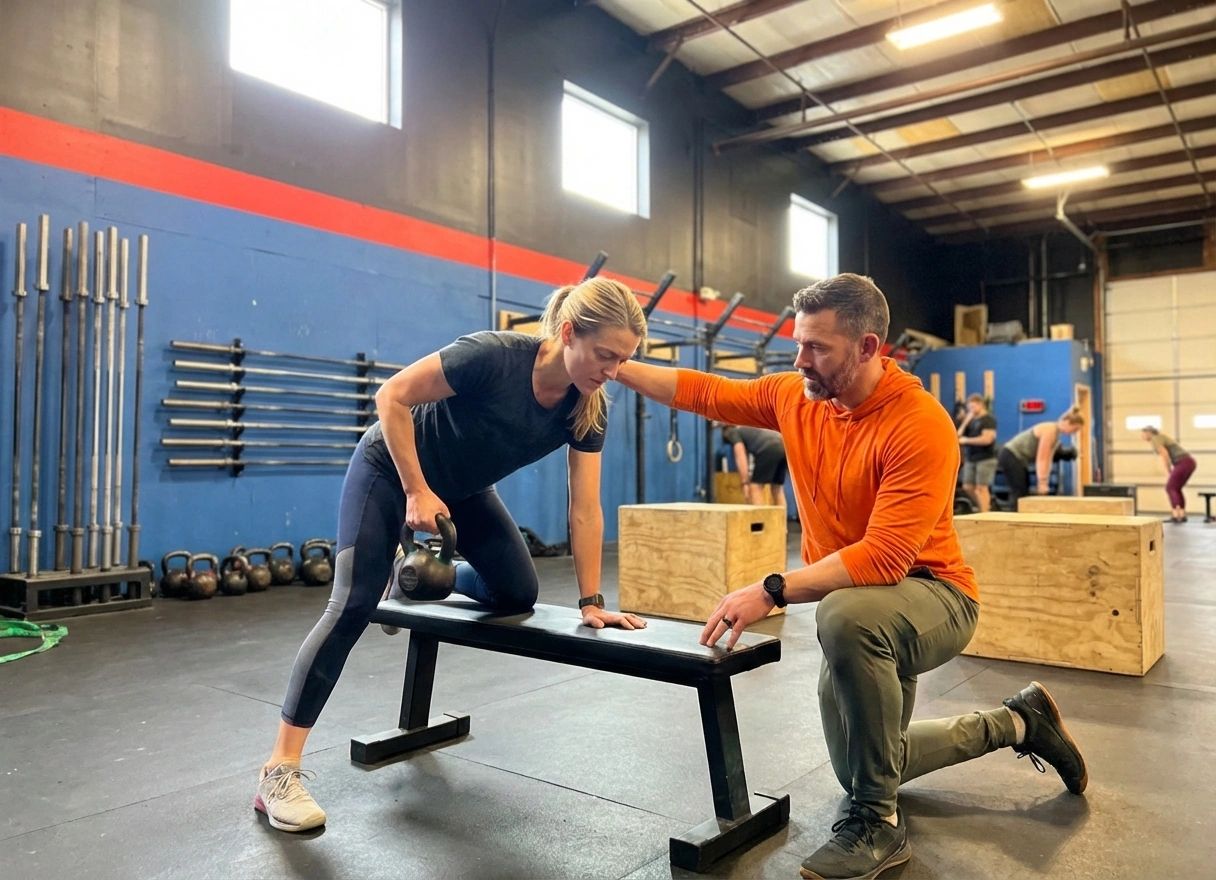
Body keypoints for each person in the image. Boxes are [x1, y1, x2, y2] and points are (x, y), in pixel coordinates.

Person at [617, 274, 1087, 880]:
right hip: (861, 604)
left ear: (869, 348)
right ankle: (1019, 722)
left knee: (845, 623)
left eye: (818, 348)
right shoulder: (797, 396)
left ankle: (877, 823)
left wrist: (772, 589)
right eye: (799, 342)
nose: (800, 359)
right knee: (865, 760)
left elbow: (885, 558)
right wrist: (614, 367)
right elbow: (705, 392)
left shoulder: (920, 423)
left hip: (935, 596)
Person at [255, 277, 649, 832]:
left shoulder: (587, 409)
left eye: (622, 360)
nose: (612, 371)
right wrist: (416, 489)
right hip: (391, 471)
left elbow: (584, 507)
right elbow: (390, 395)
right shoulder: (493, 357)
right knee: (352, 605)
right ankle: (280, 769)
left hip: (462, 493)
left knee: (518, 593)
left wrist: (591, 600)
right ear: (568, 333)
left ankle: (422, 576)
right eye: (605, 355)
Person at [997, 408, 1085, 507]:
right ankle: (1013, 520)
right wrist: (1042, 482)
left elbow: (1048, 460)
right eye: (1075, 429)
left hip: (1019, 459)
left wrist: (1044, 481)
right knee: (1019, 493)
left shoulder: (1056, 435)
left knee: (1024, 492)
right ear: (1067, 422)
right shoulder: (1050, 430)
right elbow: (1041, 459)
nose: (1074, 432)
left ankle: (1021, 519)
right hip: (1010, 455)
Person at [721, 423, 788, 513]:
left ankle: (761, 523)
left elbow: (740, 454)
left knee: (755, 487)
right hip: (783, 446)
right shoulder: (750, 427)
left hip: (768, 448)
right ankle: (781, 525)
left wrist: (744, 482)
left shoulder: (733, 432)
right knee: (777, 488)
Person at [1141, 425, 1196, 523]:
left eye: (1143, 433)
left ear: (1149, 433)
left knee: (1170, 487)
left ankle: (1176, 514)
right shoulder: (1160, 437)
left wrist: (1167, 470)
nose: (1142, 436)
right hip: (1188, 462)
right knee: (1176, 488)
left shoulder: (1155, 438)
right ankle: (1181, 514)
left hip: (1184, 462)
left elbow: (1164, 454)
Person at [957, 393, 997, 512]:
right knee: (967, 486)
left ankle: (985, 514)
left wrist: (967, 440)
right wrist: (966, 421)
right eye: (969, 408)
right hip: (972, 458)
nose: (971, 410)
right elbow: (958, 435)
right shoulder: (972, 420)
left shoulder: (988, 420)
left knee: (981, 488)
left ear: (981, 405)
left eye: (973, 407)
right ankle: (983, 507)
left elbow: (987, 439)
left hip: (985, 458)